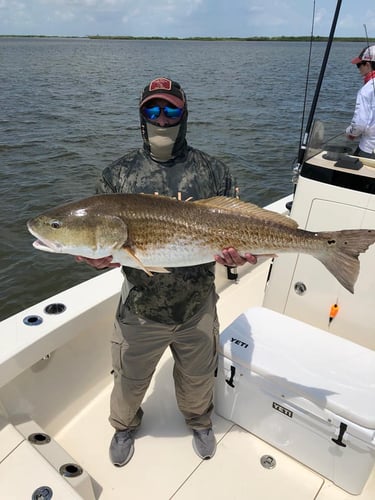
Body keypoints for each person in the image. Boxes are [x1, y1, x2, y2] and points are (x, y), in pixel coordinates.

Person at [76, 77, 256, 467]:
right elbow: (102, 237)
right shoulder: (116, 176)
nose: (161, 118)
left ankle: (199, 420)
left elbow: (240, 227)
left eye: (170, 109)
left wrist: (235, 257)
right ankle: (124, 426)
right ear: (141, 115)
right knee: (128, 381)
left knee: (197, 378)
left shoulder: (212, 170)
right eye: (152, 109)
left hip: (198, 304)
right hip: (140, 309)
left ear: (184, 113)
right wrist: (95, 256)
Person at [346, 45, 375, 159]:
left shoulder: (366, 90)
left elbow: (359, 124)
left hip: (369, 149)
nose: (358, 68)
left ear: (367, 65)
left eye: (359, 65)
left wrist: (351, 132)